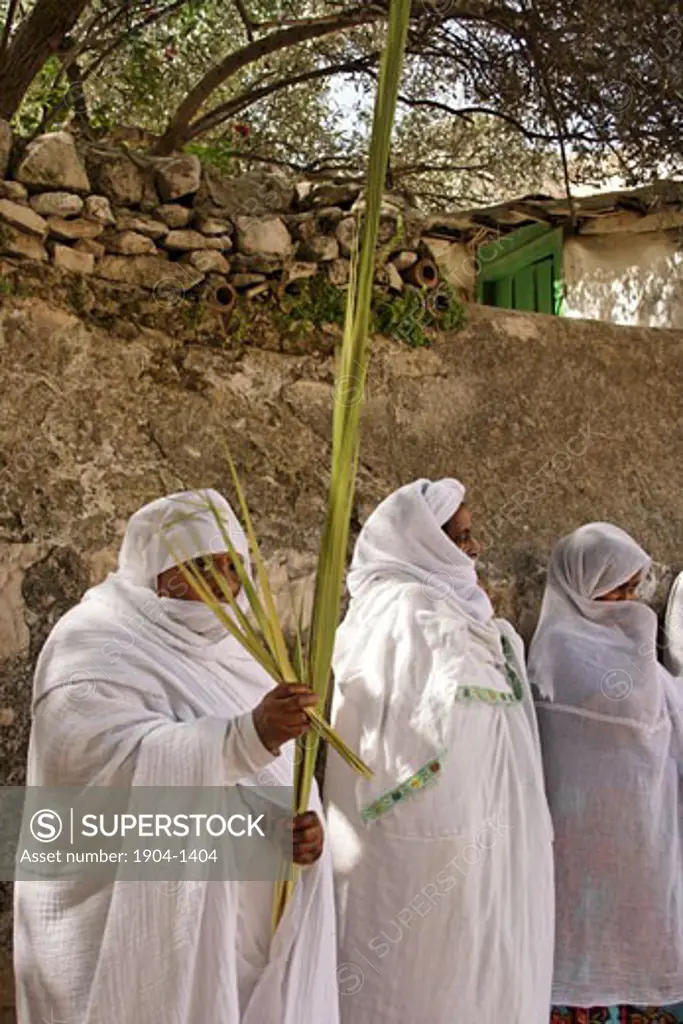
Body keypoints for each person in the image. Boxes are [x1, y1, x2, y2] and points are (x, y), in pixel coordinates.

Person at [14, 488, 339, 1024]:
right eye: (201, 567)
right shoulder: (94, 646)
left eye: (231, 568)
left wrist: (299, 833)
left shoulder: (242, 655)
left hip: (237, 928)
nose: (222, 584)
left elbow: (273, 778)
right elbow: (94, 779)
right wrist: (244, 736)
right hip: (125, 919)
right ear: (156, 572)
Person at [324, 478, 554, 1024]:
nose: (472, 549)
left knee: (484, 971)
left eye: (471, 534)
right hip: (421, 850)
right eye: (459, 536)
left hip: (491, 839)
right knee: (422, 977)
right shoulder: (397, 612)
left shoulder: (464, 614)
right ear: (421, 543)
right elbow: (399, 739)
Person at [528, 523, 683, 1023]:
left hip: (642, 845)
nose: (628, 602)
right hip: (577, 845)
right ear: (580, 585)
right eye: (615, 587)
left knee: (638, 937)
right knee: (577, 947)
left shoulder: (636, 652)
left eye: (633, 589)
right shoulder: (557, 651)